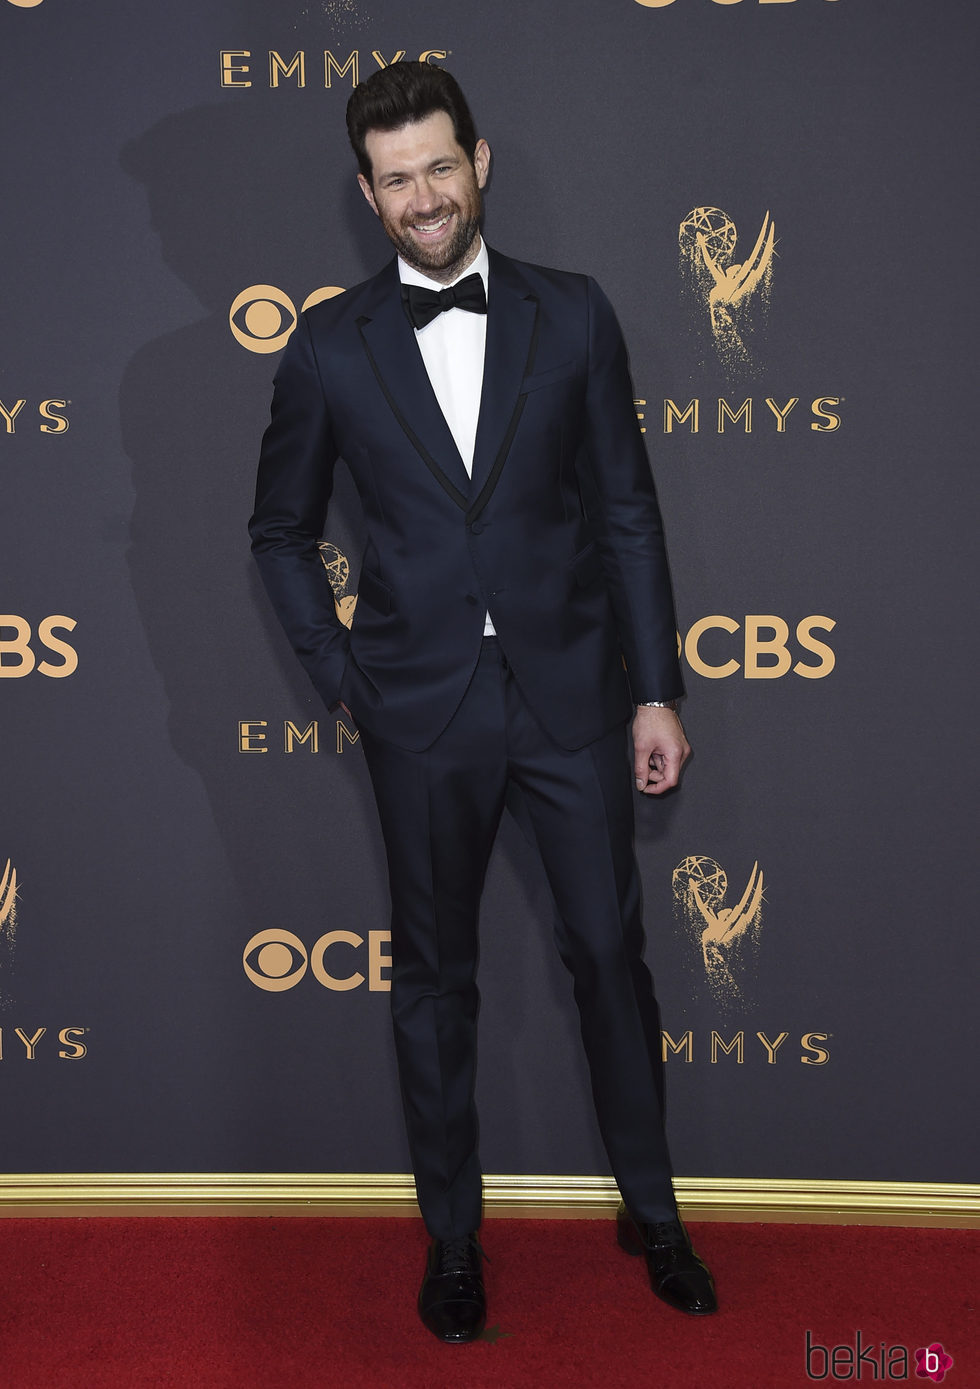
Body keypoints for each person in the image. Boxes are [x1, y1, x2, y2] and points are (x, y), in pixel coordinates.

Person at [249, 61, 717, 1343]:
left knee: (610, 965)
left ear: (481, 162)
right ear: (366, 194)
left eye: (439, 167)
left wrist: (656, 692)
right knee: (435, 986)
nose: (423, 197)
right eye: (395, 179)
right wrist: (346, 680)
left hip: (573, 698)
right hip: (421, 713)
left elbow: (625, 512)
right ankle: (451, 1241)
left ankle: (655, 1215)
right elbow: (279, 533)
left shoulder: (571, 316)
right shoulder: (331, 344)